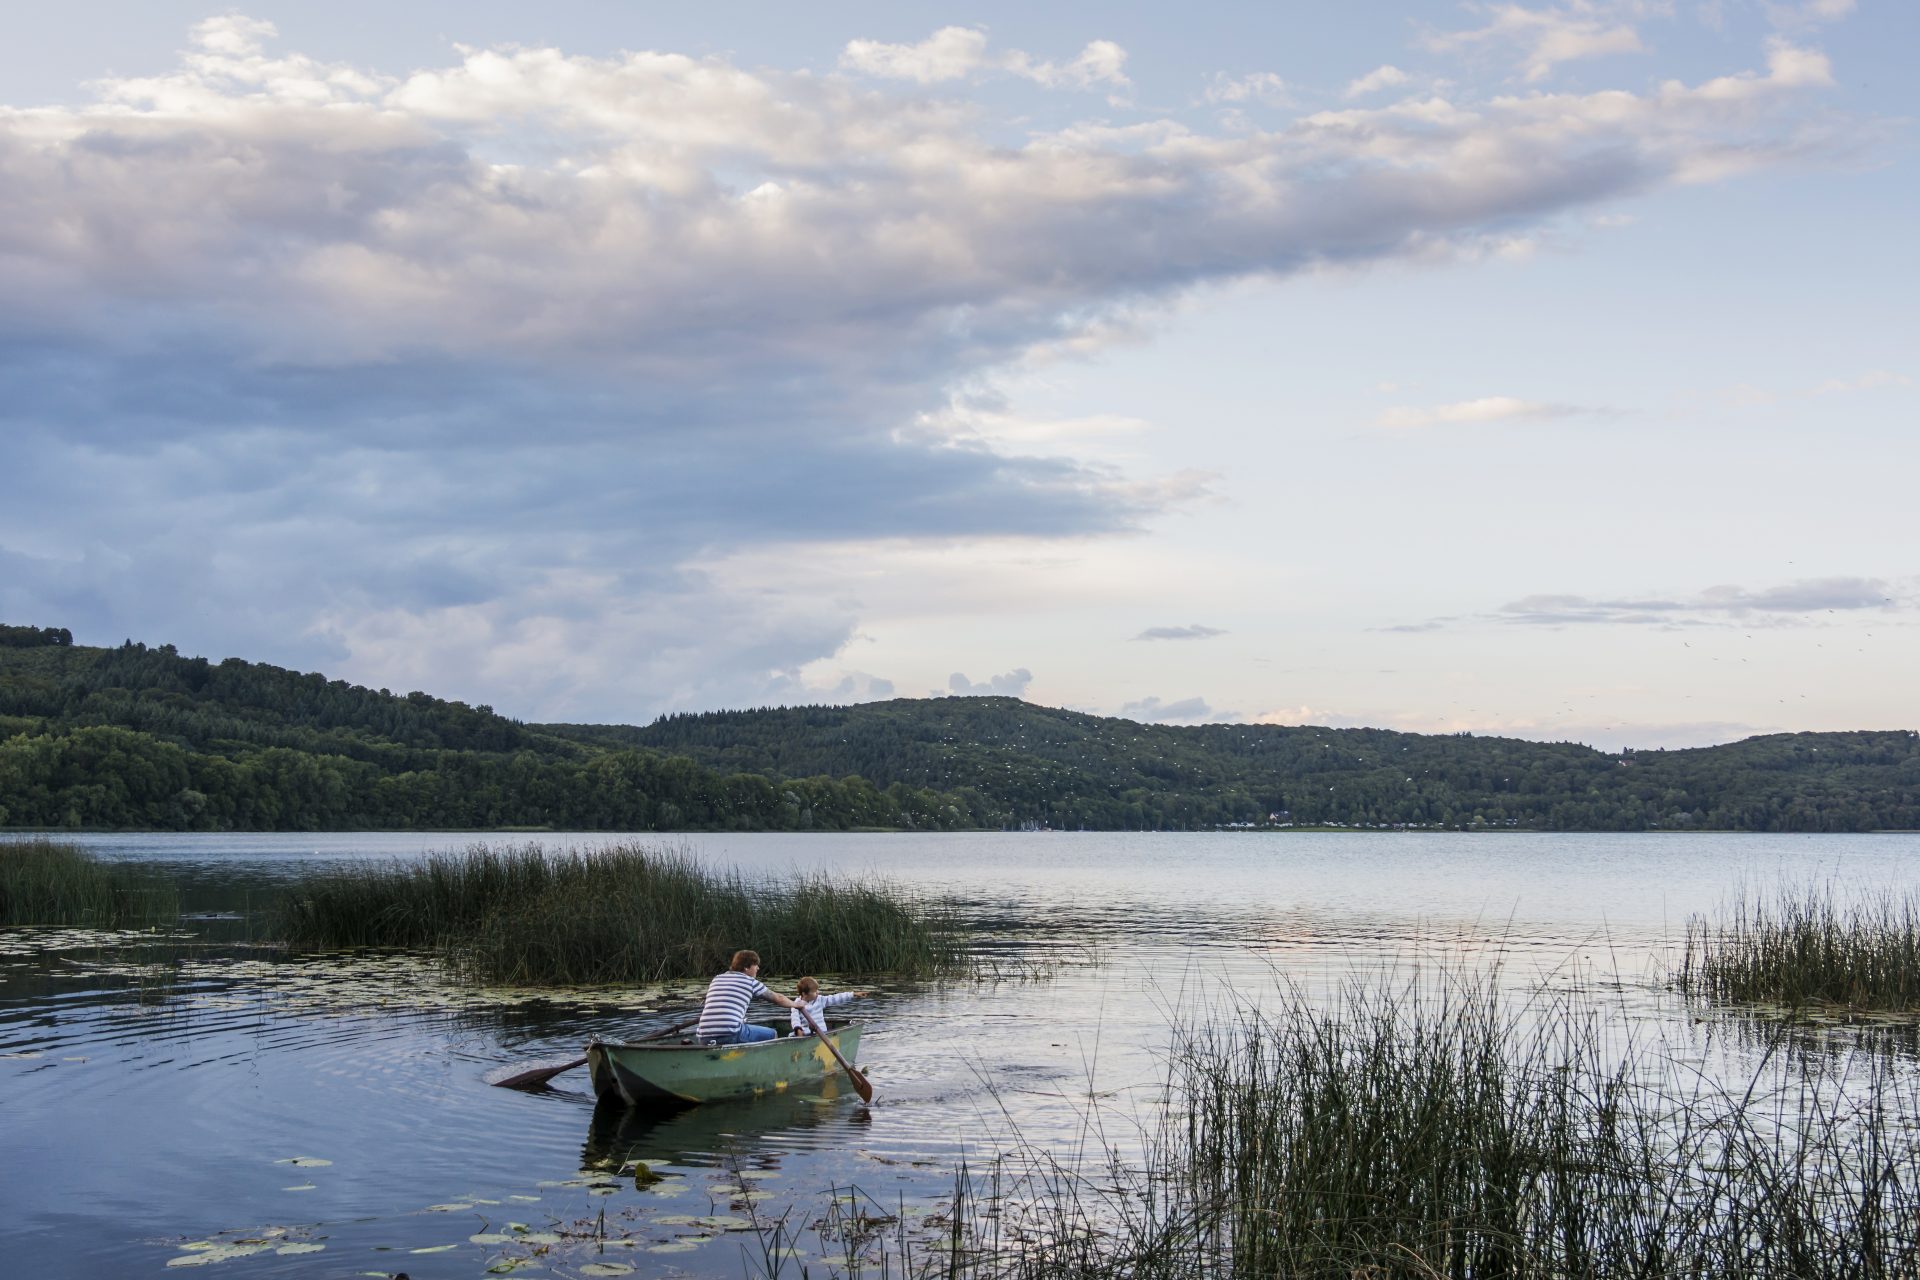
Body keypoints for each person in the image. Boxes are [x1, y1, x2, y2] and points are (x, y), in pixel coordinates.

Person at [697, 949, 798, 1045]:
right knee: (772, 1034)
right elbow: (778, 999)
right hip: (730, 1033)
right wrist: (797, 1004)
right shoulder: (750, 982)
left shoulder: (717, 979)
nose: (758, 968)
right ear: (746, 967)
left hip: (703, 1036)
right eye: (755, 965)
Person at [788, 977, 869, 1036]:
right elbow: (795, 1019)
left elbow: (835, 998)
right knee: (791, 1036)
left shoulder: (820, 1000)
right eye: (814, 992)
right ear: (804, 994)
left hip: (822, 1033)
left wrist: (853, 994)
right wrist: (798, 1029)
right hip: (806, 1034)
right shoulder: (796, 1004)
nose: (818, 993)